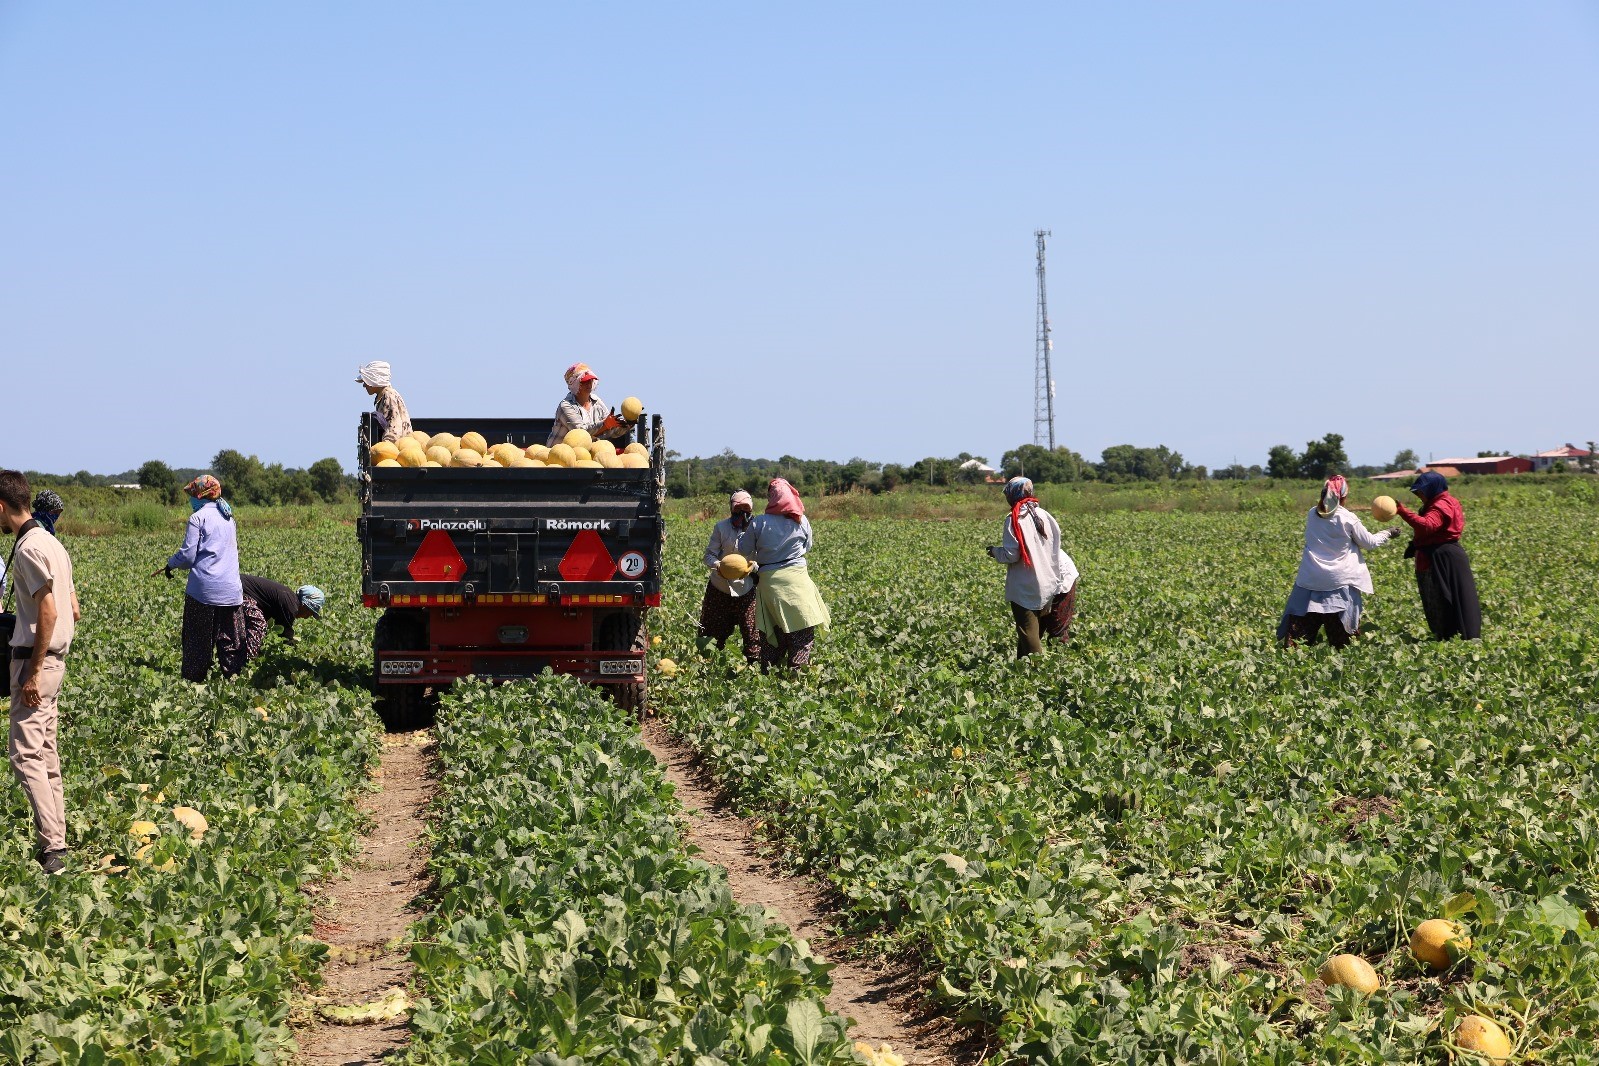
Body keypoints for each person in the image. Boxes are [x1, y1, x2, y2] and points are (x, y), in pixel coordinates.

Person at [1, 470, 81, 876]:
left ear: (1, 506)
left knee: (24, 755)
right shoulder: (54, 544)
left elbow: (48, 610)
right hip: (55, 661)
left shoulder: (30, 548)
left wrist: (32, 671)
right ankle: (57, 838)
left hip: (37, 662)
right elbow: (73, 609)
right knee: (45, 754)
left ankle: (54, 848)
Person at [1277, 476, 1398, 648]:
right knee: (1342, 640)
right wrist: (1387, 533)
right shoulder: (1348, 518)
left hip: (1310, 579)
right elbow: (1369, 543)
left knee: (1300, 635)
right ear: (1343, 496)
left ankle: (1293, 653)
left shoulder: (1312, 514)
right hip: (1339, 581)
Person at [158, 475, 246, 681]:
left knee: (197, 640)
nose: (191, 500)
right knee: (231, 641)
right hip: (232, 591)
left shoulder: (198, 518)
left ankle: (193, 683)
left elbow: (188, 556)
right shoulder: (229, 517)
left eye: (192, 495)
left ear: (201, 495)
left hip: (204, 591)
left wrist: (171, 564)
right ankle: (234, 681)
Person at [987, 477, 1080, 658]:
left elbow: (1012, 554)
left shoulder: (1014, 519)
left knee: (1028, 629)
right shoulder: (1043, 514)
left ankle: (1035, 671)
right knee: (1042, 629)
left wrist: (994, 552)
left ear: (1012, 495)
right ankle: (1026, 669)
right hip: (1052, 576)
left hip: (1034, 580)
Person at [747, 479, 830, 671]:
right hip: (797, 581)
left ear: (771, 497)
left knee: (774, 631)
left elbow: (744, 550)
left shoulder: (759, 522)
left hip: (770, 583)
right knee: (801, 631)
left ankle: (767, 673)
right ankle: (796, 675)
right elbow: (807, 547)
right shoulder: (801, 520)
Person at [1395, 470, 1482, 640]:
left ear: (1432, 489)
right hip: (1445, 556)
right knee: (1450, 598)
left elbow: (1428, 525)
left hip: (1441, 558)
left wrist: (1403, 512)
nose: (1420, 496)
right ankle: (1451, 636)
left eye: (1422, 492)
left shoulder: (1441, 505)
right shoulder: (1443, 502)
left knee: (1442, 599)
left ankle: (1450, 637)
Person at [697, 490, 761, 663]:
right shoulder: (721, 527)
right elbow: (709, 555)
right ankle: (708, 666)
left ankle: (754, 668)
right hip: (720, 586)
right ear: (731, 509)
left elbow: (763, 557)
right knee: (710, 631)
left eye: (746, 510)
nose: (742, 514)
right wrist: (718, 565)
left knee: (752, 631)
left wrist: (753, 567)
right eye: (737, 510)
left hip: (746, 588)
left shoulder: (758, 528)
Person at [546, 362, 635, 446]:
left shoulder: (597, 402)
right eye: (584, 382)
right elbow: (581, 433)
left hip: (585, 455)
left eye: (590, 381)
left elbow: (610, 430)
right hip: (559, 457)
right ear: (574, 383)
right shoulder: (566, 406)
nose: (589, 385)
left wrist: (627, 424)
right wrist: (605, 424)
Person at [240, 575, 324, 660]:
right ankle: (247, 661)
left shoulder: (288, 599)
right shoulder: (290, 606)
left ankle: (235, 656)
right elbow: (285, 635)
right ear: (304, 605)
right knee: (258, 625)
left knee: (242, 629)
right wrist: (293, 653)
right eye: (310, 613)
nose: (306, 617)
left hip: (235, 587)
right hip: (239, 592)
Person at [356, 361, 412, 444]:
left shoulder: (389, 396)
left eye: (365, 381)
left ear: (373, 380)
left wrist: (385, 448)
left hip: (396, 448)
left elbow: (394, 429)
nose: (364, 385)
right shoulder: (383, 396)